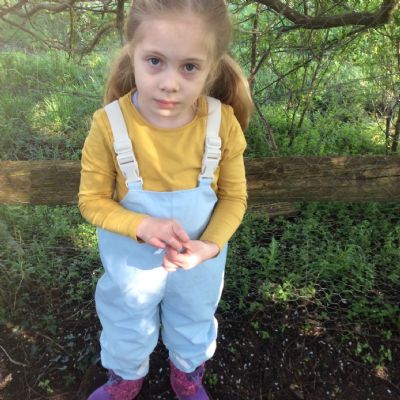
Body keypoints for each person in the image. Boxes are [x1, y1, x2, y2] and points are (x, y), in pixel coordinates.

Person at [78, 0, 253, 399]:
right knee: (126, 318)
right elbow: (92, 200)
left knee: (194, 317)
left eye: (189, 66)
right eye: (155, 61)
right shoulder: (109, 124)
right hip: (131, 264)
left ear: (212, 68)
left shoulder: (220, 123)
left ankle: (188, 374)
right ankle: (126, 377)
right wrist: (141, 224)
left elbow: (234, 197)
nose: (170, 83)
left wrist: (209, 246)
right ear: (133, 54)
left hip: (199, 262)